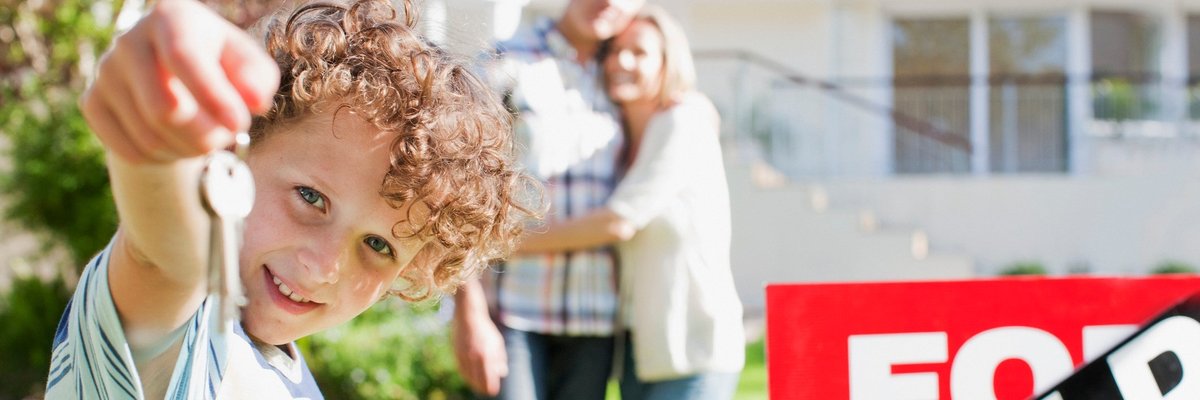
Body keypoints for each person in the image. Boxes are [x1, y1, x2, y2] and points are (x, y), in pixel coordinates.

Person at [44, 0, 531, 397]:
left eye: (379, 246)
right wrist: (158, 134)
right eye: (310, 197)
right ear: (237, 151)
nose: (324, 266)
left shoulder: (287, 377)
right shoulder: (176, 332)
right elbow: (161, 256)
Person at [517, 7, 745, 399]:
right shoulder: (620, 141)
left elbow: (616, 222)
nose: (622, 61)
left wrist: (510, 243)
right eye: (615, 51)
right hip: (641, 355)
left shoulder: (683, 122)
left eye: (639, 53)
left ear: (667, 62)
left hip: (695, 349)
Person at [450, 0, 644, 399]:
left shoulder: (624, 74)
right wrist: (468, 309)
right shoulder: (505, 61)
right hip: (512, 311)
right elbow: (455, 184)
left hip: (595, 321)